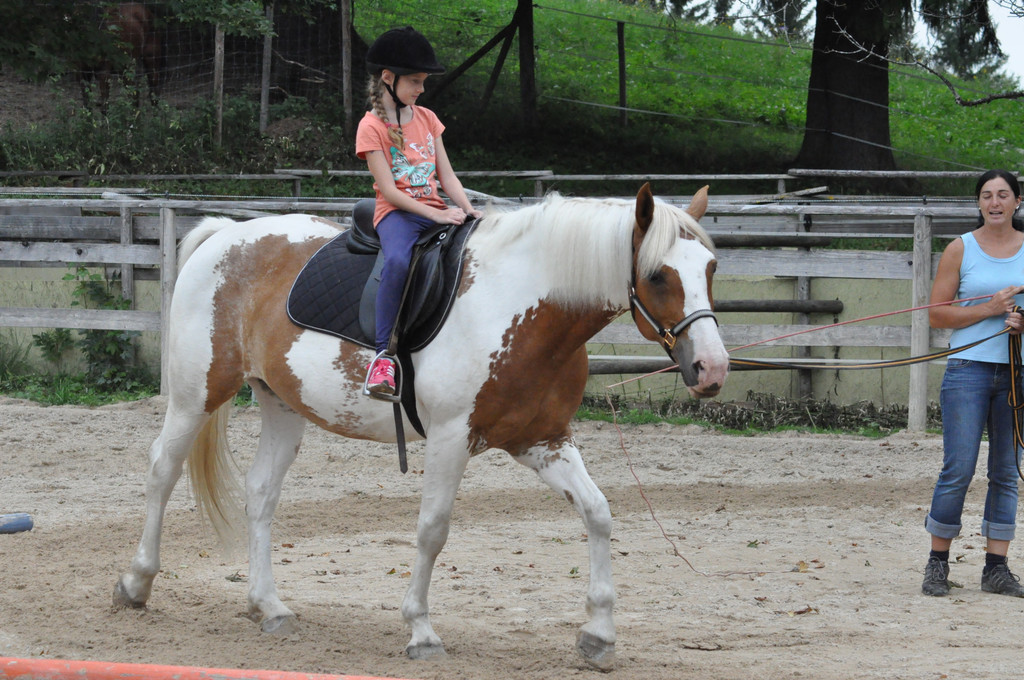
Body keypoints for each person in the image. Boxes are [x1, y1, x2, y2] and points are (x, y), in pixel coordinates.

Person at [355, 26, 482, 396]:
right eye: (415, 81)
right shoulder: (370, 127)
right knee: (397, 262)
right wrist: (437, 216)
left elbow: (447, 176)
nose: (421, 89)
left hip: (435, 208)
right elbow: (390, 192)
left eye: (423, 81)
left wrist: (468, 209)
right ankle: (382, 358)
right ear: (388, 77)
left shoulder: (427, 118)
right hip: (398, 215)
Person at [922, 168, 1024, 597]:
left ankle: (996, 568)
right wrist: (989, 309)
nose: (994, 202)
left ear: (1017, 201)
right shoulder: (960, 248)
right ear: (979, 203)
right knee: (959, 467)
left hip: (1016, 373)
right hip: (967, 370)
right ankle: (937, 563)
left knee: (1006, 471)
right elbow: (937, 314)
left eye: (1002, 194)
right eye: (986, 195)